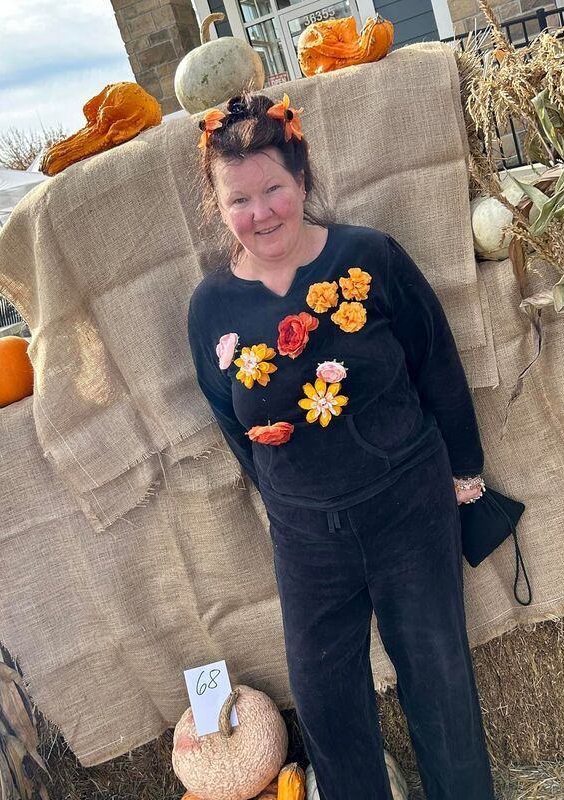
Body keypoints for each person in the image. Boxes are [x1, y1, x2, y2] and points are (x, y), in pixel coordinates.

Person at [187, 92, 494, 800]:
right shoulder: (210, 309)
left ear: (302, 180)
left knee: (439, 682)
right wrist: (290, 500)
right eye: (239, 199)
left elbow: (436, 361)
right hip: (307, 539)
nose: (260, 213)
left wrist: (466, 469)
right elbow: (232, 426)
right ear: (217, 203)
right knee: (328, 704)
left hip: (407, 508)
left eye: (273, 189)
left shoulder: (370, 256)